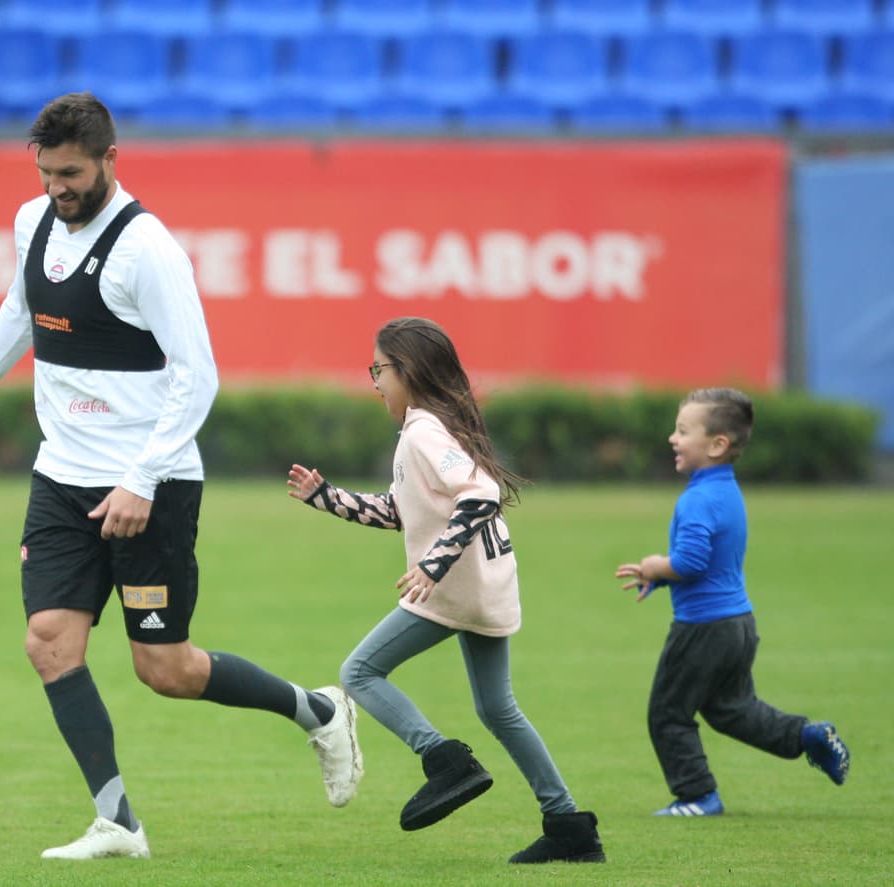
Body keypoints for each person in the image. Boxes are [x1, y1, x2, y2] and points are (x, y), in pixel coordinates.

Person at [0, 92, 363, 861]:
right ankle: (118, 822)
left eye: (70, 173)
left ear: (109, 160)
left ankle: (319, 709)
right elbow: (19, 314)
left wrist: (142, 478)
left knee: (167, 668)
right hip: (61, 477)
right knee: (50, 641)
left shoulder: (147, 250)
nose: (57, 189)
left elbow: (199, 377)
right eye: (46, 173)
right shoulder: (33, 224)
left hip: (148, 486)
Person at [287, 317, 605, 864]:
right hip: (487, 585)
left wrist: (432, 567)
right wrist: (328, 498)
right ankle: (569, 825)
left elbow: (480, 495)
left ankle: (444, 759)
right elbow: (398, 510)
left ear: (406, 371)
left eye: (379, 369)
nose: (375, 381)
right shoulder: (429, 429)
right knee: (499, 709)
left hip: (458, 588)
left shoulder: (424, 431)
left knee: (359, 673)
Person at [615, 387, 851, 816]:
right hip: (737, 624)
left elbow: (689, 561)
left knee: (668, 714)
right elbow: (714, 562)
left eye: (684, 430)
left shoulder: (698, 498)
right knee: (732, 710)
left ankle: (697, 795)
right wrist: (665, 580)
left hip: (702, 628)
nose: (673, 437)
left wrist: (655, 566)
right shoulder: (726, 491)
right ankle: (807, 736)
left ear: (718, 444)